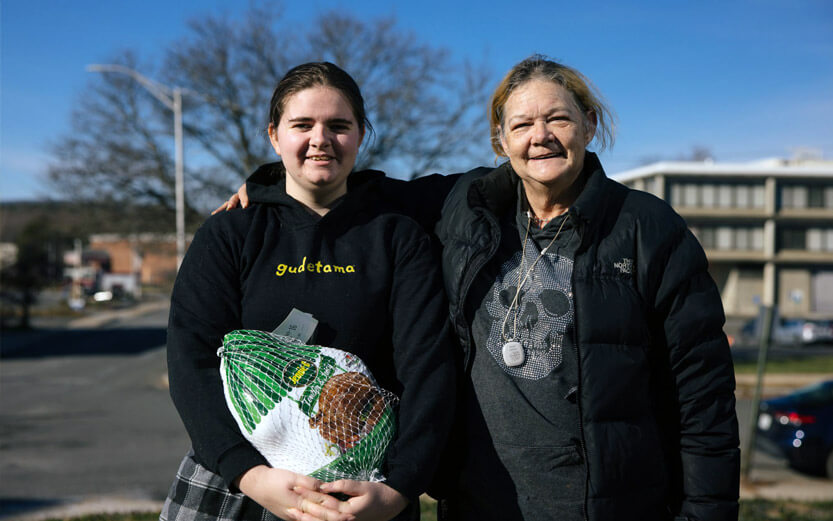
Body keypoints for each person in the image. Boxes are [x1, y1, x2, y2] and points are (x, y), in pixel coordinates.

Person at [218, 55, 741, 521]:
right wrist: (267, 187)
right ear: (500, 139)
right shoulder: (464, 204)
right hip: (477, 501)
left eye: (558, 118)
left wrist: (707, 510)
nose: (541, 136)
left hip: (611, 502)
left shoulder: (649, 229)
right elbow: (351, 184)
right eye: (522, 124)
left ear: (590, 124)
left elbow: (702, 396)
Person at [162, 61, 456, 521]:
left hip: (363, 492)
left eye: (339, 126)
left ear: (360, 135)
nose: (321, 139)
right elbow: (191, 361)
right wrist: (250, 474)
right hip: (241, 482)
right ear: (275, 136)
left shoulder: (398, 237)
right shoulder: (230, 233)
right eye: (302, 125)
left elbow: (429, 367)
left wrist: (401, 486)